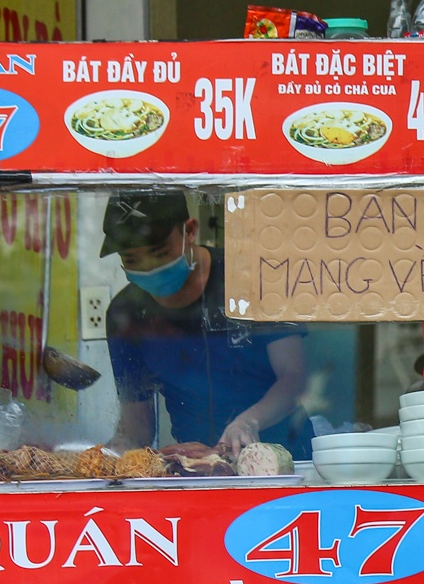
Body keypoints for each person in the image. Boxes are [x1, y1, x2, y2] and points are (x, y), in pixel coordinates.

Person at [103, 190, 309, 459]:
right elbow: (137, 427)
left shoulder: (252, 277)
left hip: (286, 457)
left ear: (190, 231)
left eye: (160, 253)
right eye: (131, 260)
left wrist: (248, 422)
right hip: (196, 469)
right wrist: (110, 455)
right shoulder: (125, 314)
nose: (148, 268)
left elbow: (294, 378)